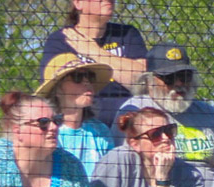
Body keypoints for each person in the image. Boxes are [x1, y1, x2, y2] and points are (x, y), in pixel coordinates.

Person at [118, 39, 214, 170]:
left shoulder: (209, 113)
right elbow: (122, 163)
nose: (179, 84)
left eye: (184, 76)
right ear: (149, 80)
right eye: (169, 78)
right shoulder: (135, 109)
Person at [39, 0, 146, 129]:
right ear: (78, 3)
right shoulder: (62, 40)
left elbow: (141, 80)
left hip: (127, 122)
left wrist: (94, 51)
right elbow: (53, 89)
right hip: (83, 124)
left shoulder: (126, 34)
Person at [38, 51, 115, 178]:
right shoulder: (48, 132)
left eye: (89, 77)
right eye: (77, 78)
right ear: (57, 89)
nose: (87, 83)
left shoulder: (100, 131)